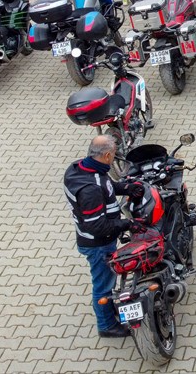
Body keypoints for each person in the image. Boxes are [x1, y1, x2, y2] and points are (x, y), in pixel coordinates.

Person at [63, 134, 145, 338]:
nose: (115, 158)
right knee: (103, 284)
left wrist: (126, 188)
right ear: (107, 155)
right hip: (97, 244)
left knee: (105, 280)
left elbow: (105, 186)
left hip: (97, 239)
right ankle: (107, 325)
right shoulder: (89, 190)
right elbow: (97, 226)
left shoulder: (82, 168)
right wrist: (127, 224)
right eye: (114, 154)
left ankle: (109, 314)